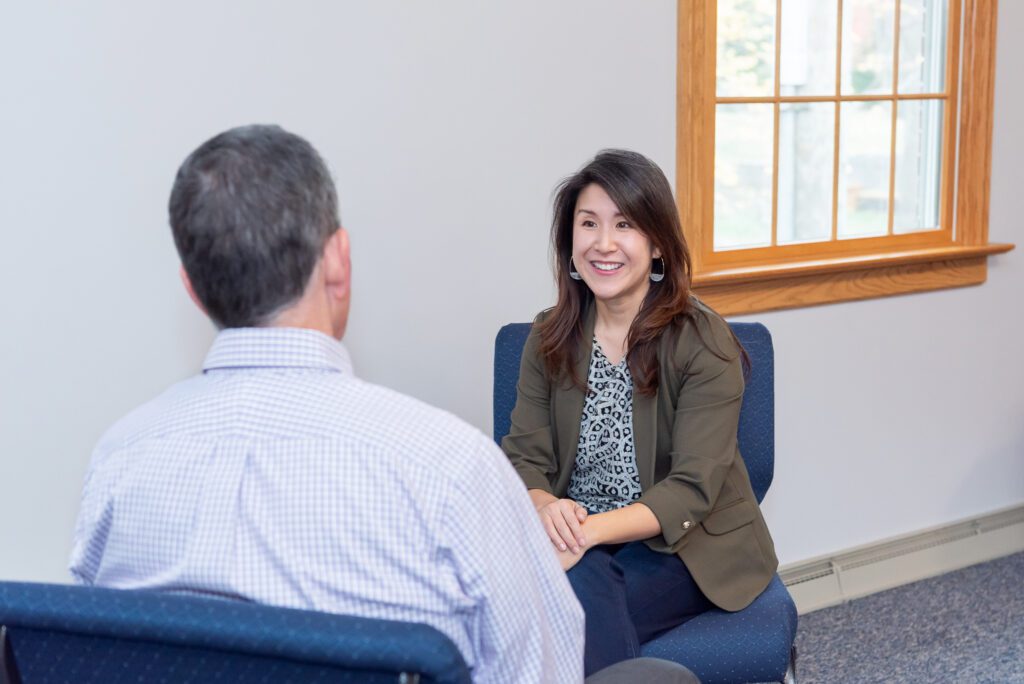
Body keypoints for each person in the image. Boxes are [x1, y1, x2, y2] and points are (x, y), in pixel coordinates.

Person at [68, 125, 585, 683]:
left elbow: (83, 653)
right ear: (338, 259)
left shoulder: (120, 457)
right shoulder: (451, 467)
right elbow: (544, 670)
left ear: (192, 287)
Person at [502, 149, 779, 676]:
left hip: (685, 543)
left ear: (657, 246)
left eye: (624, 225)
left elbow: (692, 489)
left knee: (561, 609)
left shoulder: (702, 341)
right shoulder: (548, 337)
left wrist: (585, 534)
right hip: (576, 537)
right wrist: (544, 508)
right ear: (570, 243)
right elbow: (522, 457)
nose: (603, 243)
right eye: (589, 224)